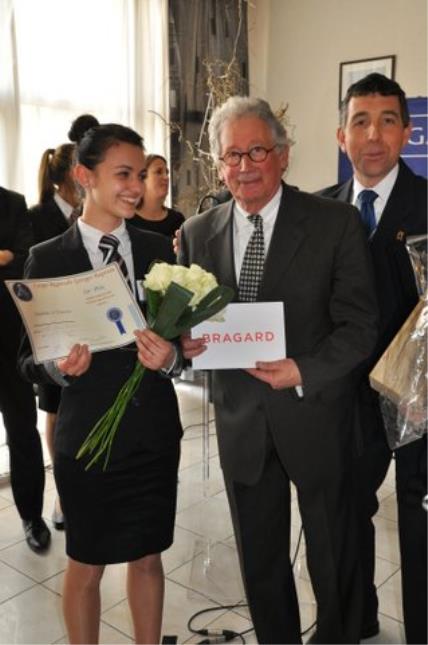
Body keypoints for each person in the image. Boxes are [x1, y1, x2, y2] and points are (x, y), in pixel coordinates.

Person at [179, 96, 379, 644]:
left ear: (283, 155)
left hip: (315, 414)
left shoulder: (334, 223)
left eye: (257, 151)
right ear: (218, 164)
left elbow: (361, 326)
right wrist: (187, 341)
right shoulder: (198, 232)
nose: (244, 167)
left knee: (332, 553)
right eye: (231, 156)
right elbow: (190, 327)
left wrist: (303, 369)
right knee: (261, 559)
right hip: (241, 420)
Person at [18, 123, 183, 644]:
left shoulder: (159, 249)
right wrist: (57, 368)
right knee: (86, 565)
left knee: (149, 556)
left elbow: (185, 342)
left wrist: (171, 356)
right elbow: (28, 361)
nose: (135, 186)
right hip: (86, 436)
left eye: (140, 174)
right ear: (84, 176)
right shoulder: (48, 258)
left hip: (153, 432)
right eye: (123, 174)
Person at [316, 73, 427, 645]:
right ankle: (351, 619)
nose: (374, 134)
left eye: (387, 120)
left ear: (407, 132)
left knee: (419, 517)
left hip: (418, 400)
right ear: (342, 134)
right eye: (360, 121)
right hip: (342, 397)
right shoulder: (317, 211)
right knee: (343, 513)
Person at [29, 142, 81, 530]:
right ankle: (63, 491)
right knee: (54, 406)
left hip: (86, 321)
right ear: (68, 177)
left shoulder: (90, 215)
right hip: (51, 324)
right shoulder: (37, 216)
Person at [0, 185, 50, 552]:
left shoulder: (12, 203)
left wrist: (7, 257)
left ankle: (32, 514)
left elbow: (22, 262)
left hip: (6, 338)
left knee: (22, 430)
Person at [129, 154, 185, 237]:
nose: (166, 177)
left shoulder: (177, 220)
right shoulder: (126, 220)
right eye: (158, 172)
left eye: (167, 172)